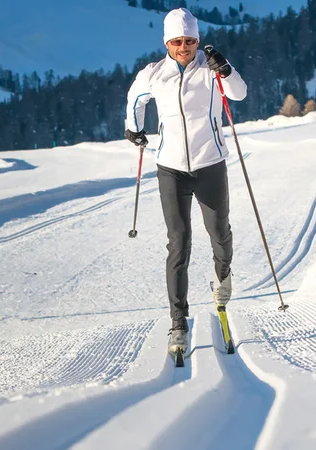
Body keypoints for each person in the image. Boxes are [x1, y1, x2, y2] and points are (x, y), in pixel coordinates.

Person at [124, 8, 247, 355]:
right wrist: (133, 128)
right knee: (178, 243)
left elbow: (238, 93)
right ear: (167, 42)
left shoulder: (210, 72)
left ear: (197, 40)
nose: (184, 46)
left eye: (189, 40)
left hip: (210, 164)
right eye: (177, 41)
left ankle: (222, 285)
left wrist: (225, 68)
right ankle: (178, 323)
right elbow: (136, 99)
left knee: (219, 232)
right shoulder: (154, 74)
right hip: (171, 168)